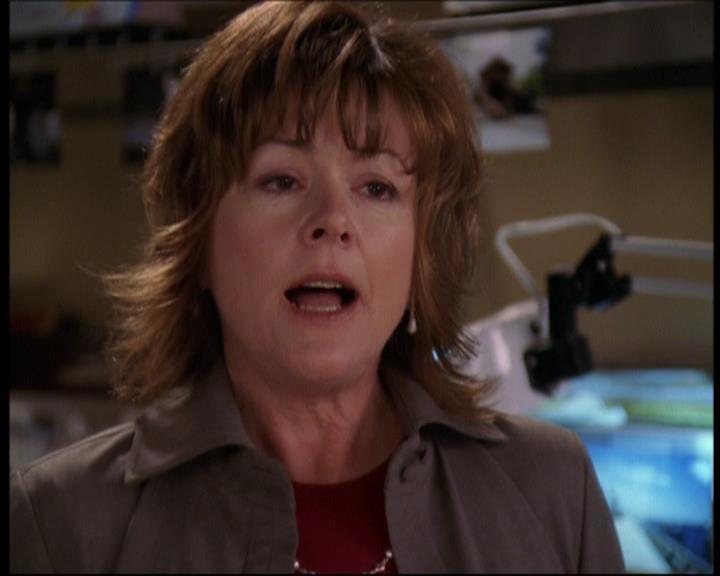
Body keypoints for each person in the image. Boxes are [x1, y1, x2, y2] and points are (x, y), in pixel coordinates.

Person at [9, 2, 625, 573]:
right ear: (195, 240)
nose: (333, 219)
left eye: (377, 187)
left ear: (421, 253)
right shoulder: (60, 523)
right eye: (281, 180)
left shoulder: (554, 491)